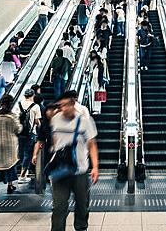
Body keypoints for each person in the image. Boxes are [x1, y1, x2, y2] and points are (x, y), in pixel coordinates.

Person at [49, 91, 99, 231]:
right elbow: (54, 141)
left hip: (80, 170)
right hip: (60, 171)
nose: (63, 108)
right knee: (59, 206)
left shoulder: (85, 121)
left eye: (66, 105)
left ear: (73, 105)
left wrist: (95, 167)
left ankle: (81, 228)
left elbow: (92, 144)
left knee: (82, 205)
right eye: (60, 105)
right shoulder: (55, 119)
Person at [0, 94, 22, 196]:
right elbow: (18, 129)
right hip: (9, 145)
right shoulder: (12, 116)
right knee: (10, 165)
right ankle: (10, 185)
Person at [13, 89, 41, 184]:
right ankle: (22, 175)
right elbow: (37, 121)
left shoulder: (19, 104)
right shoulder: (35, 106)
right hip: (30, 132)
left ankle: (21, 172)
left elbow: (15, 117)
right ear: (32, 95)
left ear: (24, 95)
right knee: (27, 154)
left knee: (20, 153)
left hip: (20, 132)